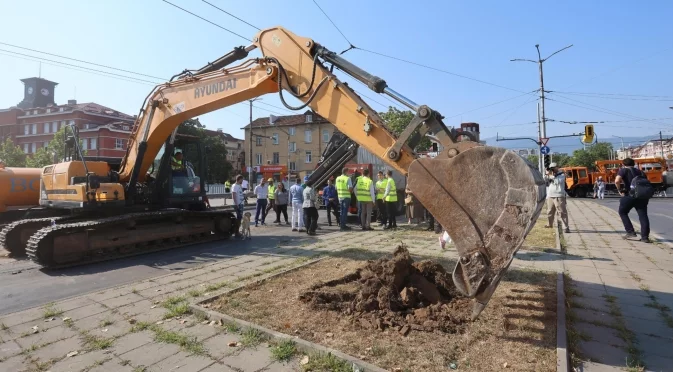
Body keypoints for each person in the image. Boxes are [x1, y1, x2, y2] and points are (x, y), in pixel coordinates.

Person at [615, 158, 650, 242]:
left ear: (623, 164)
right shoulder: (641, 172)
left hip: (629, 195)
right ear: (634, 164)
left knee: (622, 212)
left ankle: (630, 232)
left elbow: (617, 181)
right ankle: (645, 237)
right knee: (643, 215)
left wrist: (619, 190)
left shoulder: (623, 170)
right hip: (642, 197)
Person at [544, 162, 570, 233]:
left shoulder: (562, 174)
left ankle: (566, 227)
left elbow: (556, 181)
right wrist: (547, 174)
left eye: (553, 168)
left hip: (559, 195)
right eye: (551, 168)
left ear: (557, 167)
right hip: (550, 195)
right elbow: (545, 180)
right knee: (549, 211)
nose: (552, 169)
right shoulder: (550, 174)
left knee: (562, 212)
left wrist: (550, 175)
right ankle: (550, 224)